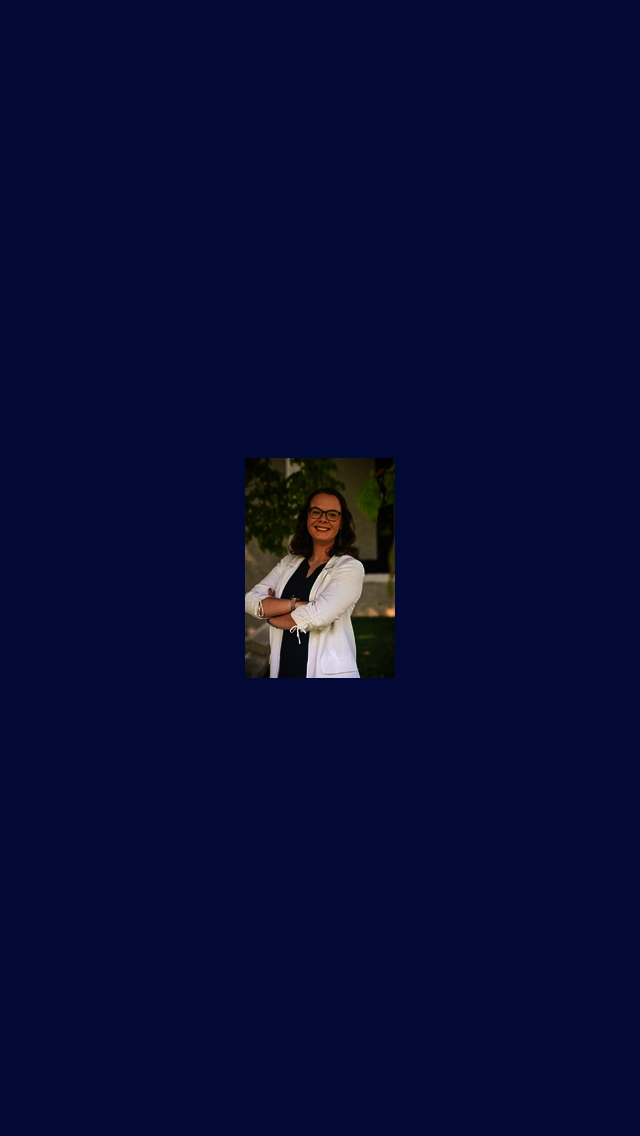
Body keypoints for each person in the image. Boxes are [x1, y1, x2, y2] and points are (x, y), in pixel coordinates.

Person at [245, 489, 365, 678]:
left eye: (332, 514)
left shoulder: (350, 568)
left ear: (341, 522)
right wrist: (295, 604)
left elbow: (319, 616)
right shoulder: (288, 563)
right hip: (284, 670)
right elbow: (249, 600)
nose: (323, 519)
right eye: (316, 512)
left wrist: (273, 614)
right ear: (307, 517)